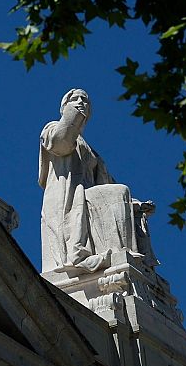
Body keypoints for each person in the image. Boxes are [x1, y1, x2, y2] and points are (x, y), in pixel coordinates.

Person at [38, 89, 151, 274]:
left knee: (121, 192)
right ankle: (115, 253)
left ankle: (125, 254)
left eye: (85, 100)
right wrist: (72, 116)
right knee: (120, 191)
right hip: (69, 197)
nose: (81, 102)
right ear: (64, 107)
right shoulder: (52, 127)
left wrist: (135, 204)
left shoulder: (92, 153)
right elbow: (60, 143)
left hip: (87, 198)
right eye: (75, 99)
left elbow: (107, 183)